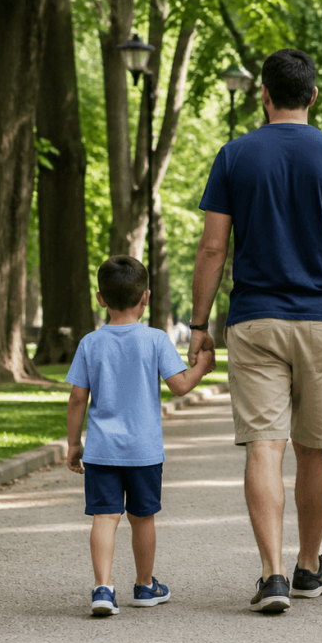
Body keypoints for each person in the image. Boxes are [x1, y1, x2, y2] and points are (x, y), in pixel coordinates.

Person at [187, 49, 322, 613]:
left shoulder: (234, 156)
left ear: (263, 94)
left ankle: (272, 575)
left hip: (254, 320)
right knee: (316, 448)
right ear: (313, 96)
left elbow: (212, 247)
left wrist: (198, 324)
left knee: (264, 446)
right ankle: (310, 566)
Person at [65, 255, 217, 616]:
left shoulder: (90, 343)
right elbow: (180, 386)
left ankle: (103, 587)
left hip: (102, 450)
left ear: (100, 298)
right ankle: (145, 586)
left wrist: (74, 443)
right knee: (142, 518)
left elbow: (77, 398)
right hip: (144, 451)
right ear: (146, 297)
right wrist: (203, 368)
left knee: (105, 517)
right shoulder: (155, 339)